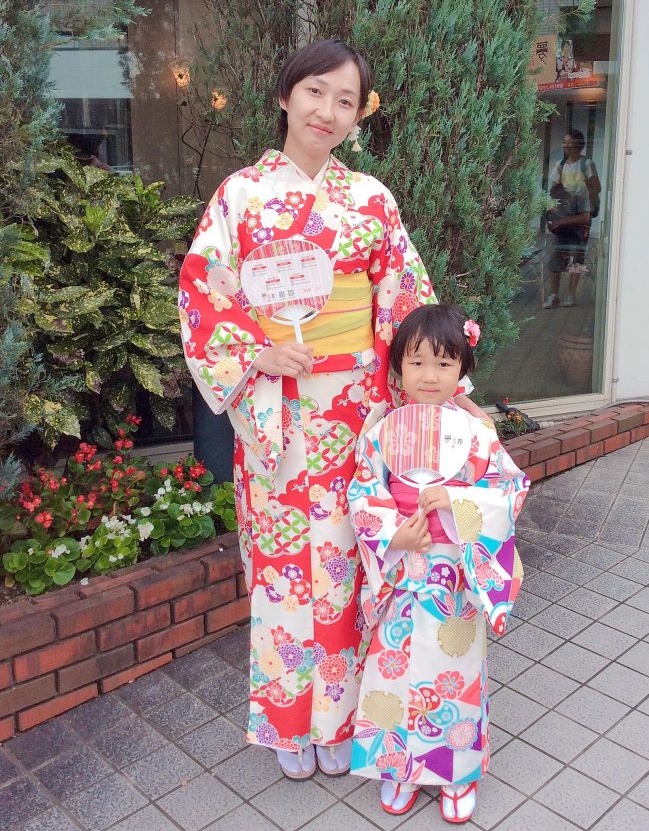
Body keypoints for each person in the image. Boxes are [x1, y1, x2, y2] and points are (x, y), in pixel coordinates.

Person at [178, 39, 479, 780]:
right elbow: (203, 293)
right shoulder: (240, 196)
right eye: (315, 92)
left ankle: (345, 717)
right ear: (285, 96)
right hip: (275, 413)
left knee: (351, 559)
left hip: (357, 413)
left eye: (346, 101)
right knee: (284, 569)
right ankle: (289, 723)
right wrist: (256, 351)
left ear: (357, 116)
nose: (327, 112)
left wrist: (445, 402)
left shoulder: (371, 200)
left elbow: (405, 308)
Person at [348, 304, 528, 823]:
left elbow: (509, 491)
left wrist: (457, 502)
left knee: (454, 671)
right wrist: (393, 534)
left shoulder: (478, 433)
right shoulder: (381, 430)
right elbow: (363, 492)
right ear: (398, 369)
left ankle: (456, 772)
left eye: (444, 364)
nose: (430, 376)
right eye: (417, 362)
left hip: (455, 570)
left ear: (462, 370)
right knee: (393, 669)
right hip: (403, 566)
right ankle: (398, 765)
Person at [543, 129, 601, 308]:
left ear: (578, 145)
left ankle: (571, 294)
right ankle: (554, 294)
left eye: (569, 142)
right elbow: (553, 189)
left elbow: (596, 187)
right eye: (564, 142)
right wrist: (557, 205)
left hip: (581, 213)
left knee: (577, 255)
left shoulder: (586, 164)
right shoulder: (560, 165)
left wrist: (580, 199)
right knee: (556, 253)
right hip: (563, 213)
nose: (565, 146)